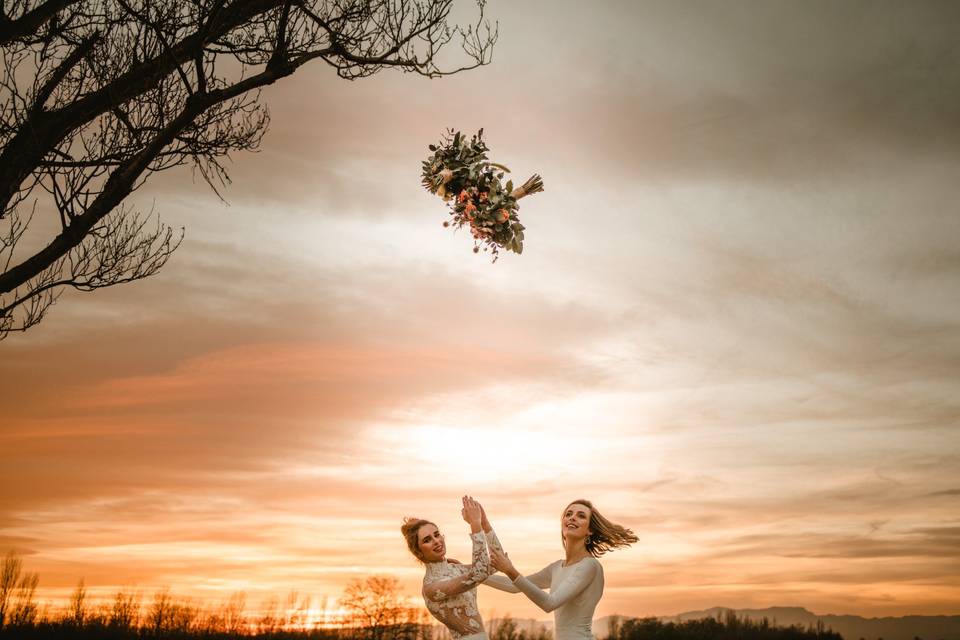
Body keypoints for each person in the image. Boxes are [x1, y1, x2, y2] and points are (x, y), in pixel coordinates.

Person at [483, 499, 637, 640]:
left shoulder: (590, 566)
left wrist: (510, 570)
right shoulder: (557, 567)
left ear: (590, 530)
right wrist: (471, 574)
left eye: (581, 516)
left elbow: (550, 603)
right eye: (568, 514)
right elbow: (513, 586)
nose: (572, 518)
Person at [401, 496, 504, 640]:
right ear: (418, 552)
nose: (436, 541)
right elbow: (478, 574)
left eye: (436, 535)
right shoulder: (431, 587)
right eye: (427, 540)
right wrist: (475, 524)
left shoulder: (455, 568)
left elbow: (498, 563)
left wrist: (484, 523)